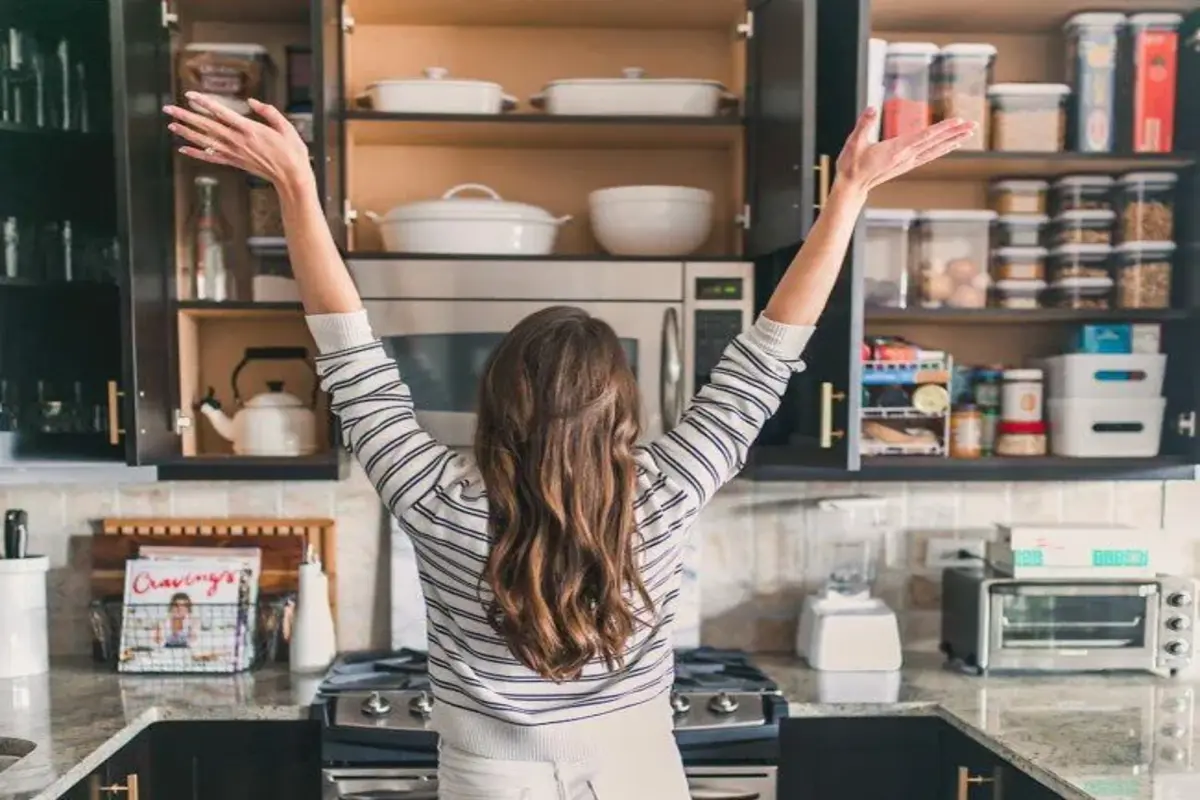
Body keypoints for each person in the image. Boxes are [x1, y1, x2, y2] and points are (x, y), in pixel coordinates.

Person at [164, 92, 973, 800]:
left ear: (496, 398)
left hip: (488, 779)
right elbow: (772, 350)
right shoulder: (667, 490)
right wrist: (849, 197)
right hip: (636, 773)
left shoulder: (434, 496)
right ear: (622, 408)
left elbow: (348, 352)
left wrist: (298, 187)